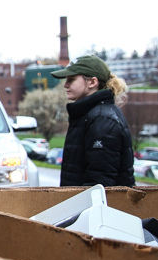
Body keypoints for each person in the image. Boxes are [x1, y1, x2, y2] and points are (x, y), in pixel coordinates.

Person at [51, 55, 135, 187]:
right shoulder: (90, 115)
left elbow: (100, 184)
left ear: (92, 82)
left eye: (71, 79)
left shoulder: (102, 120)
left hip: (93, 207)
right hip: (81, 205)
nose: (65, 85)